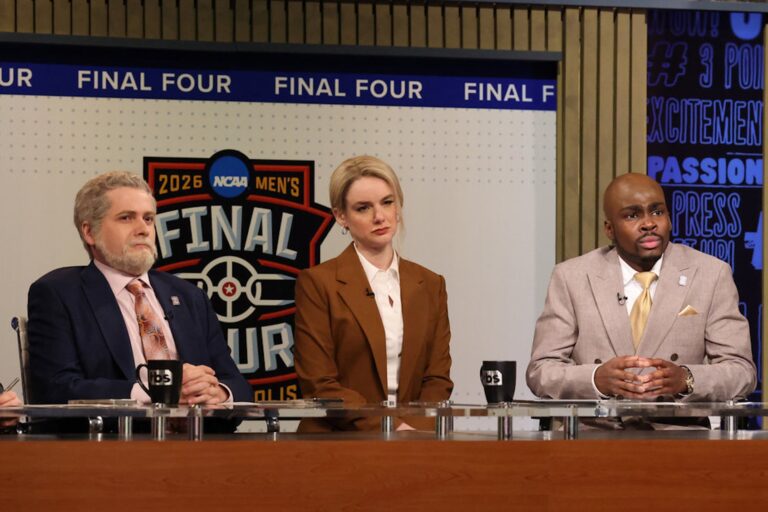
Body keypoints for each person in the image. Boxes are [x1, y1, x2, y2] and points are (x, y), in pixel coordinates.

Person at [526, 173, 755, 428]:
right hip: (593, 440)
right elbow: (541, 371)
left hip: (680, 441)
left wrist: (686, 379)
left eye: (657, 212)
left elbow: (741, 372)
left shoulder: (711, 274)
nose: (648, 224)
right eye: (632, 215)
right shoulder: (572, 277)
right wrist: (595, 379)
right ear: (609, 229)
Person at [27, 171, 251, 430]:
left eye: (148, 219)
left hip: (197, 447)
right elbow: (57, 389)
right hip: (111, 450)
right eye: (126, 218)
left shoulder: (190, 296)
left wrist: (218, 394)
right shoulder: (59, 293)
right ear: (89, 232)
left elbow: (237, 384)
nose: (143, 229)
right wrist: (161, 392)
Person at [294, 155, 453, 431]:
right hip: (340, 441)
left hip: (416, 442)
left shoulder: (430, 284)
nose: (379, 216)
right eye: (363, 208)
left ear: (398, 206)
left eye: (387, 202)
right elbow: (320, 383)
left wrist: (413, 431)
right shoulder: (318, 283)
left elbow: (437, 380)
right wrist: (389, 427)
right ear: (341, 217)